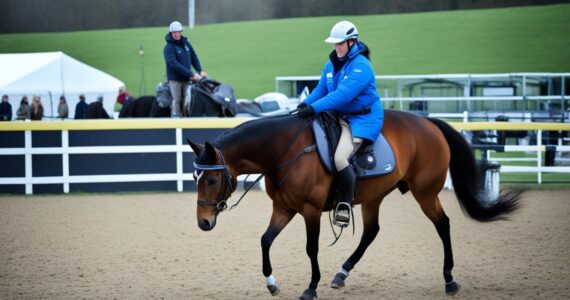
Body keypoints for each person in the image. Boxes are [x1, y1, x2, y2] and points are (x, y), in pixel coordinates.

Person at [297, 21, 384, 227]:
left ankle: (344, 203)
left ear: (352, 42)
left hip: (363, 119)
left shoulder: (361, 66)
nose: (337, 47)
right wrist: (304, 104)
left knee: (339, 158)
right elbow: (321, 89)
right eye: (335, 44)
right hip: (340, 116)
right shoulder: (332, 62)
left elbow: (342, 96)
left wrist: (314, 109)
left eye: (341, 44)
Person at [163, 20, 208, 117]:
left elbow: (194, 57)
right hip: (175, 80)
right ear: (171, 33)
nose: (177, 34)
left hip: (187, 78)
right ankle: (175, 119)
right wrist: (191, 74)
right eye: (174, 32)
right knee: (177, 100)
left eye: (178, 32)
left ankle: (185, 121)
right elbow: (173, 64)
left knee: (187, 100)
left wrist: (199, 71)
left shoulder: (186, 44)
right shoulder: (168, 48)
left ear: (181, 32)